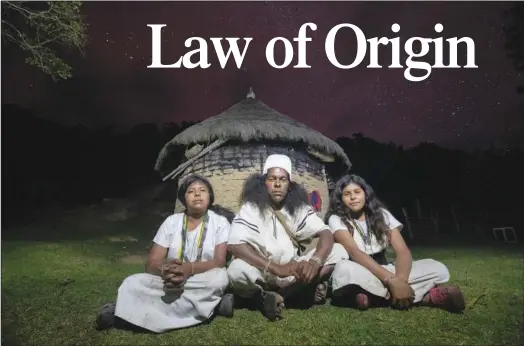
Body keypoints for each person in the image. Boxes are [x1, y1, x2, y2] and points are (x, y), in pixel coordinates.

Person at [96, 174, 234, 333]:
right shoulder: (171, 222)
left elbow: (219, 261)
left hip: (203, 277)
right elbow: (152, 262)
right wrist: (167, 272)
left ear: (210, 197)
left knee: (219, 278)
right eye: (191, 191)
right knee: (132, 282)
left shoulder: (220, 223)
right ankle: (212, 306)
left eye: (202, 190)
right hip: (171, 281)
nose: (197, 194)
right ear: (183, 198)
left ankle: (124, 313)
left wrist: (188, 269)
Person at [226, 154, 349, 321]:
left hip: (293, 274)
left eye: (282, 180)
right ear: (264, 183)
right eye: (272, 179)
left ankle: (275, 297)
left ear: (289, 185)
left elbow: (325, 233)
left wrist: (315, 261)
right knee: (236, 270)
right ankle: (288, 294)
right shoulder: (251, 208)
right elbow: (235, 245)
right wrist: (275, 268)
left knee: (339, 250)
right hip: (262, 273)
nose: (277, 184)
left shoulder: (298, 208)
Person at [326, 174, 465, 312]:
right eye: (347, 194)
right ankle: (427, 297)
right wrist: (391, 281)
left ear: (366, 194)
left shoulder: (382, 214)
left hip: (388, 269)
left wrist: (401, 280)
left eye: (357, 192)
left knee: (436, 267)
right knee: (343, 269)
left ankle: (372, 296)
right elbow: (354, 252)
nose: (353, 197)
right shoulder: (336, 219)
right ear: (340, 199)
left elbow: (403, 251)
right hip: (361, 268)